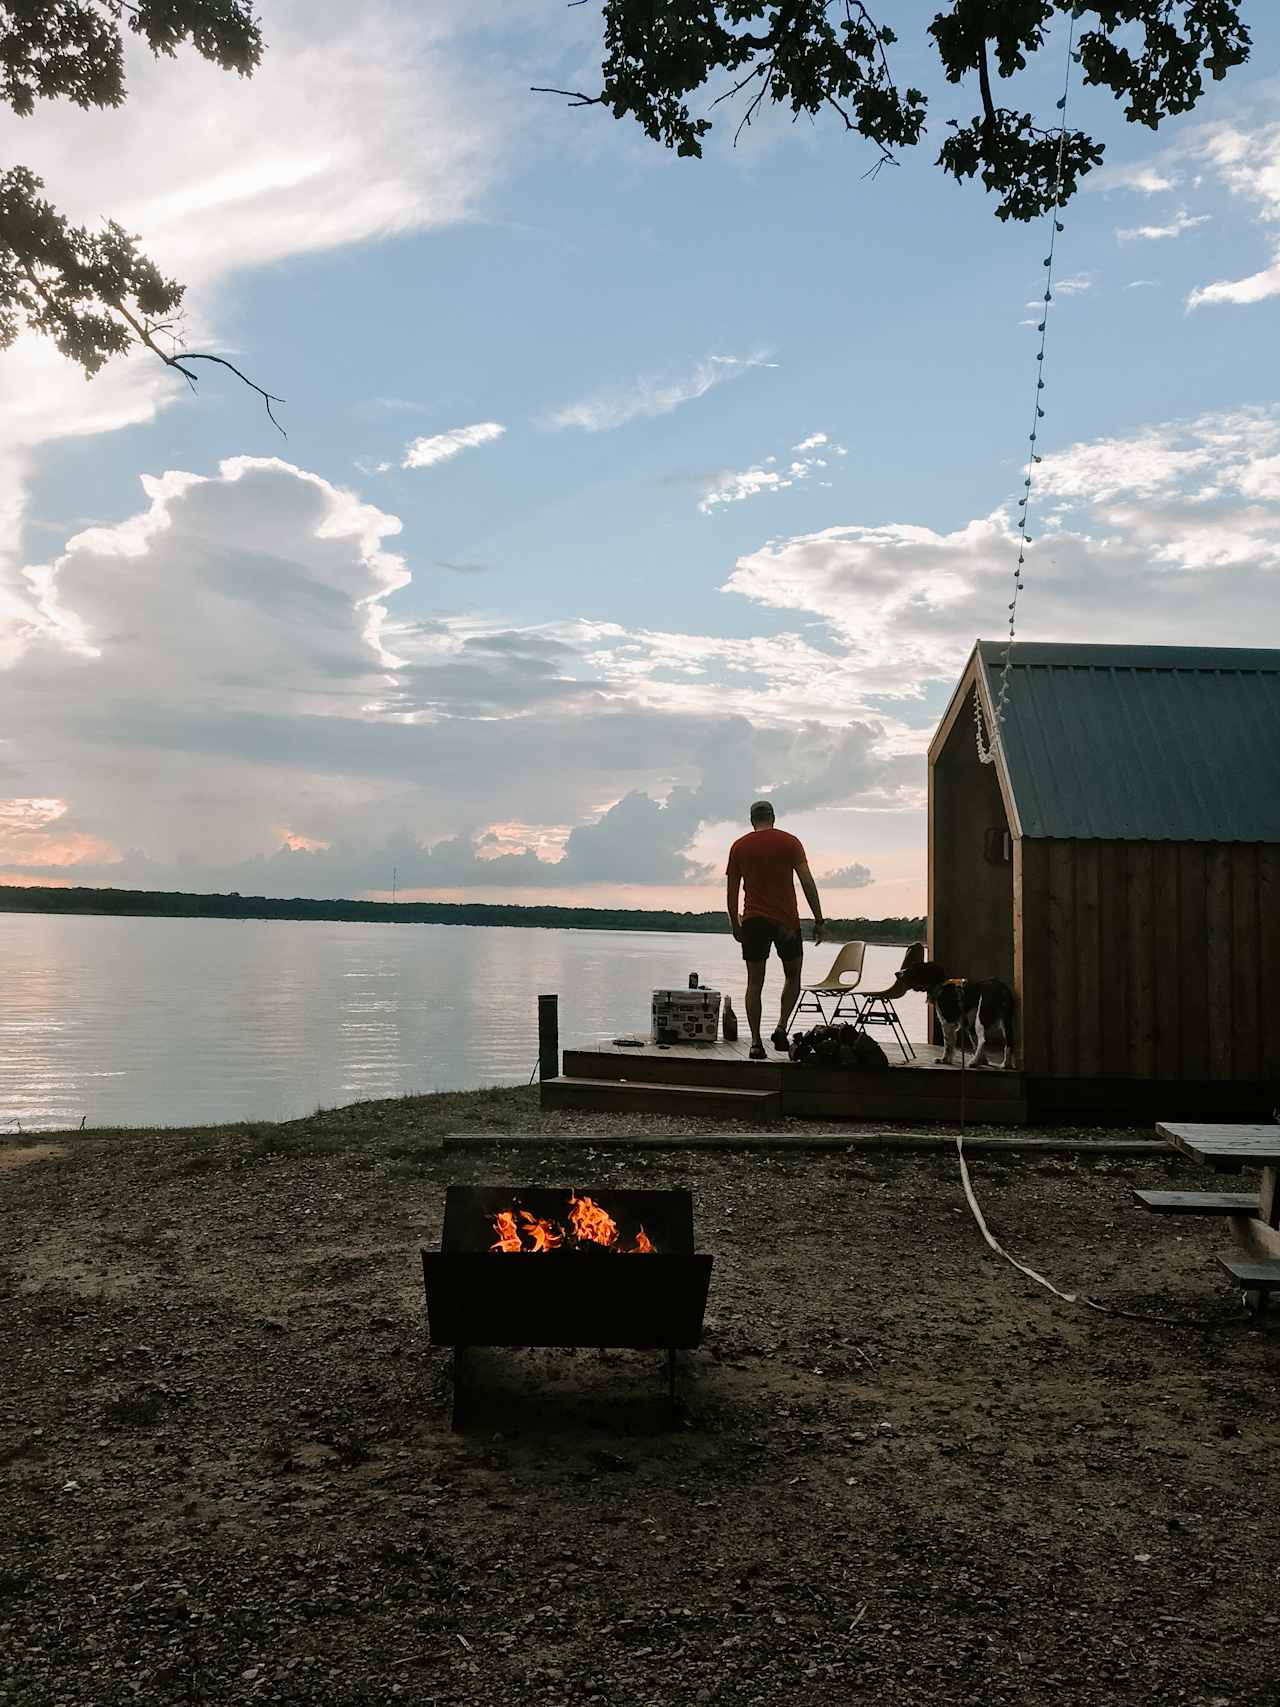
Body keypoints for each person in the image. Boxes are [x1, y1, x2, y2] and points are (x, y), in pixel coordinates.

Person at [725, 800, 825, 1060]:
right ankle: (781, 1026)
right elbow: (807, 882)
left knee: (754, 982)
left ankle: (756, 1044)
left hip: (754, 921)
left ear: (751, 819)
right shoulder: (791, 842)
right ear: (773, 817)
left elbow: (732, 892)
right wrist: (819, 919)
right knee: (793, 975)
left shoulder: (739, 846)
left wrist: (735, 925)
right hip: (786, 923)